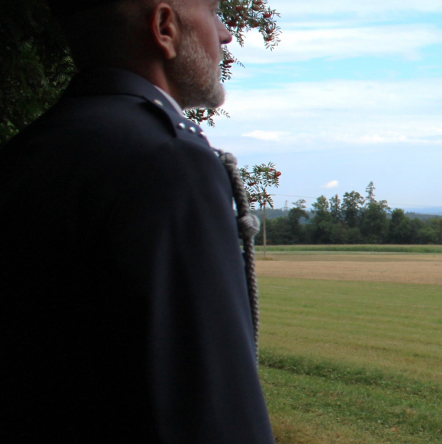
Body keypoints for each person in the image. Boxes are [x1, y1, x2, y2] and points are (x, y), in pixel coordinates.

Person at [0, 0, 273, 441]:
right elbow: (212, 408)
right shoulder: (170, 160)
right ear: (165, 28)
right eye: (213, 12)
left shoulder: (25, 152)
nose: (225, 34)